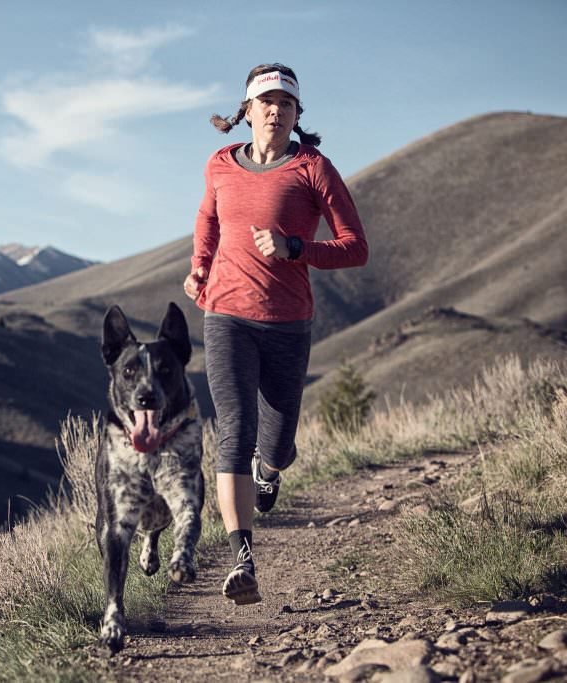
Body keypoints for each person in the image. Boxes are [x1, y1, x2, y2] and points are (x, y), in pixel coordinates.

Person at [183, 63, 368, 605]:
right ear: (247, 110)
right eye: (265, 101)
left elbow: (355, 247)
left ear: (296, 115)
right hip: (225, 316)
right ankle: (243, 556)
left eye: (286, 103)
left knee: (278, 441)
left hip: (287, 322)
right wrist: (200, 266)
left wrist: (295, 249)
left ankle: (271, 469)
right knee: (233, 430)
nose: (275, 110)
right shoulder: (220, 165)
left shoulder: (313, 168)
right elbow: (207, 223)